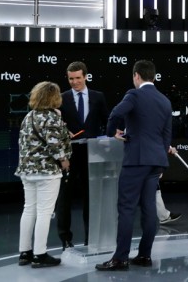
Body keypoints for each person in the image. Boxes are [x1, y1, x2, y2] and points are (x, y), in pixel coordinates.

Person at [96, 60, 173, 271]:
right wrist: (160, 160)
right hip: (156, 161)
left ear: (136, 76)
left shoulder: (134, 94)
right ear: (154, 77)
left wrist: (112, 132)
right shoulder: (164, 100)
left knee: (127, 208)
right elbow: (167, 136)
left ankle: (120, 258)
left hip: (136, 160)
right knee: (149, 209)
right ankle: (144, 255)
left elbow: (115, 114)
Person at [16, 81, 72, 268]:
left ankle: (25, 252)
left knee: (29, 209)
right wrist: (64, 160)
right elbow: (55, 144)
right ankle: (40, 254)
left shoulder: (28, 116)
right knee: (44, 212)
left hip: (27, 171)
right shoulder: (52, 118)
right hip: (47, 172)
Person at [56, 61, 109, 250]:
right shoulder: (61, 98)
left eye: (78, 78)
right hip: (68, 157)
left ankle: (91, 237)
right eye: (71, 79)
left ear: (85, 76)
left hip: (92, 155)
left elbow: (106, 122)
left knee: (92, 198)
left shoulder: (98, 97)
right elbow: (56, 126)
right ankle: (65, 239)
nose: (74, 82)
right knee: (65, 198)